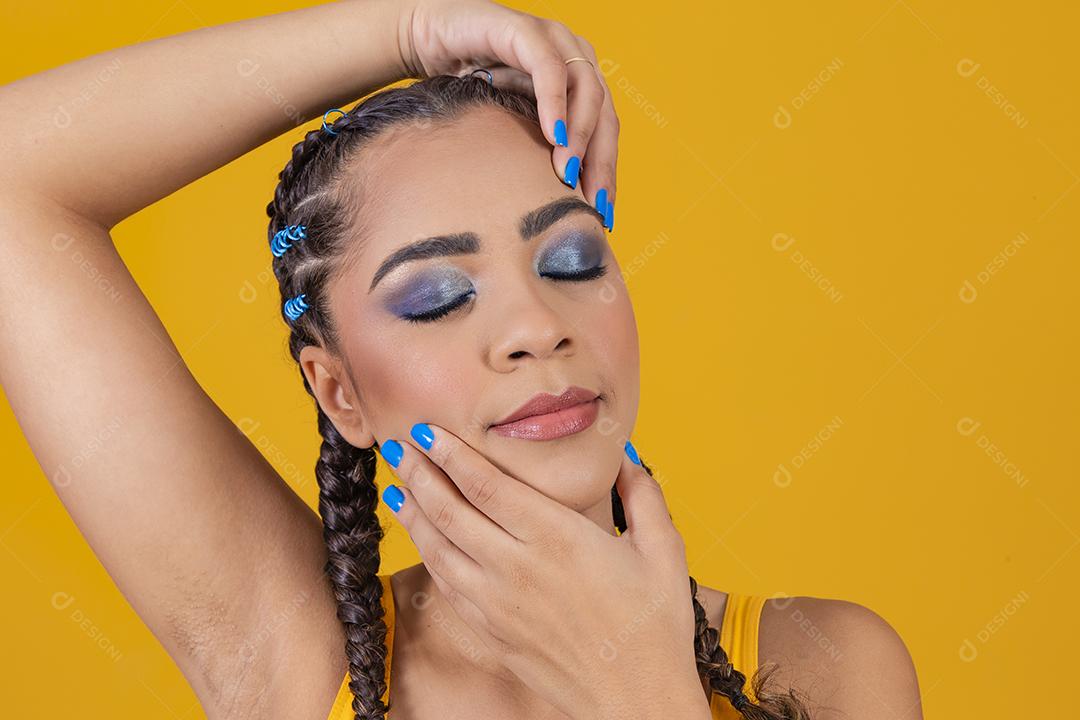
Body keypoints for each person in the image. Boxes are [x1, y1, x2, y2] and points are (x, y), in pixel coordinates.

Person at [0, 1, 922, 719]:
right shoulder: (300, 663)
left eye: (570, 260)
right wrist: (408, 29)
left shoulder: (825, 663)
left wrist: (639, 689)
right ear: (338, 392)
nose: (536, 325)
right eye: (439, 296)